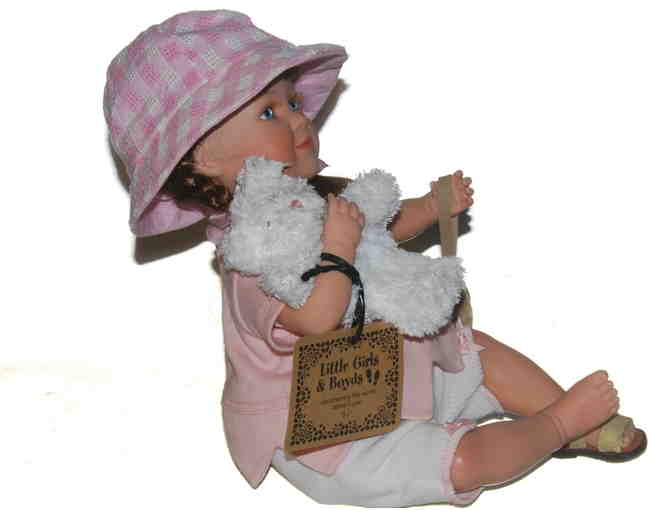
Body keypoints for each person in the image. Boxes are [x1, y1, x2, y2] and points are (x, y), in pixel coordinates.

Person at [104, 9, 646, 507]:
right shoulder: (251, 257)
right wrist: (337, 248)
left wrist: (430, 207)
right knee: (461, 464)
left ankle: (575, 424)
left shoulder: (316, 202)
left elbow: (379, 233)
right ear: (203, 157)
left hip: (395, 370)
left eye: (294, 103)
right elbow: (316, 319)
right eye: (269, 112)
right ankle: (558, 425)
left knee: (479, 353)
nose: (298, 121)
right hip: (327, 430)